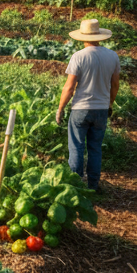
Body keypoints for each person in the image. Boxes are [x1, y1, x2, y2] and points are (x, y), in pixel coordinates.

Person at [55, 18, 120, 194]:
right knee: (95, 148)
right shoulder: (112, 56)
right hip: (101, 109)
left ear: (82, 37)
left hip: (80, 109)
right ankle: (92, 185)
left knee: (76, 146)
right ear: (100, 37)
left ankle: (76, 186)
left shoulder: (79, 57)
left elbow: (69, 88)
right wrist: (110, 103)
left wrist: (60, 108)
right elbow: (115, 85)